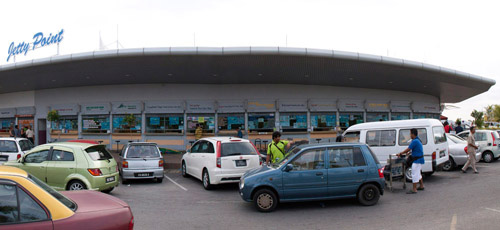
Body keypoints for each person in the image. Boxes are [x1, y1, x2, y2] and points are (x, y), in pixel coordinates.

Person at [397, 128, 425, 194]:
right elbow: (414, 149)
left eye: (410, 134)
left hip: (417, 160)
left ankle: (414, 189)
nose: (410, 135)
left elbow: (408, 149)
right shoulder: (418, 140)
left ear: (413, 134)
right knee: (418, 173)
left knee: (414, 173)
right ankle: (421, 185)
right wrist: (409, 153)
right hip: (419, 159)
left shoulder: (414, 141)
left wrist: (400, 153)